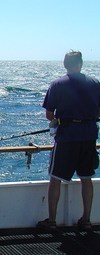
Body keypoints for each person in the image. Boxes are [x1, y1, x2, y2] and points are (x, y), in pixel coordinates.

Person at [37, 51, 100, 231]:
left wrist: (59, 119)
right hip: (89, 135)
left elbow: (49, 114)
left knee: (55, 178)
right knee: (86, 178)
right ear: (80, 63)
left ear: (65, 64)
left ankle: (52, 221)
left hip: (66, 137)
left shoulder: (57, 84)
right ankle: (86, 220)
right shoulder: (95, 83)